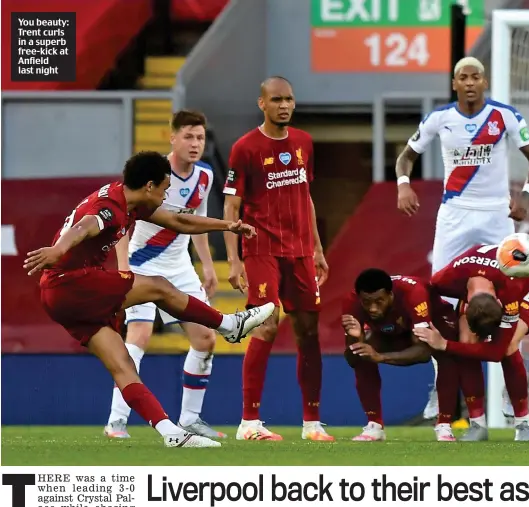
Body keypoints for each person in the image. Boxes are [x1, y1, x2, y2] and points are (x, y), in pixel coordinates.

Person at [24, 151, 275, 448]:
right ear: (149, 186)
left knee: (123, 366)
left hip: (58, 297)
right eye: (164, 188)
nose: (166, 194)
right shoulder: (113, 206)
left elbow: (177, 220)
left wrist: (227, 226)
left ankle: (171, 432)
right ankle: (229, 325)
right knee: (158, 286)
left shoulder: (131, 202)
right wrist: (58, 250)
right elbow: (85, 226)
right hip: (70, 284)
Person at [394, 56, 529, 421]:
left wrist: (524, 197)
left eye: (476, 76)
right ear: (454, 83)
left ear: (485, 81)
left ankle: (510, 391)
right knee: (439, 298)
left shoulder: (505, 115)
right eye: (463, 77)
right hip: (454, 215)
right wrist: (403, 186)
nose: (470, 82)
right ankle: (438, 386)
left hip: (496, 215)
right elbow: (405, 158)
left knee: (509, 295)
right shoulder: (439, 119)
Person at [104, 111, 226, 440]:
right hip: (141, 262)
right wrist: (123, 266)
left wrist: (207, 265)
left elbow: (195, 221)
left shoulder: (205, 175)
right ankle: (116, 421)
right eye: (188, 136)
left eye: (200, 138)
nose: (195, 144)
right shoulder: (152, 172)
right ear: (172, 138)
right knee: (139, 336)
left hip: (180, 266)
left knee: (205, 338)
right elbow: (122, 219)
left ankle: (190, 418)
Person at [223, 76, 332, 441]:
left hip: (300, 250)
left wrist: (317, 248)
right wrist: (234, 260)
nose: (284, 105)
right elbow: (232, 206)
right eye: (276, 99)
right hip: (261, 247)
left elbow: (307, 196)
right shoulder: (245, 148)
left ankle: (312, 424)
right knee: (266, 323)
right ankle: (249, 423)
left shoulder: (304, 142)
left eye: (289, 99)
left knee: (309, 333)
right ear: (262, 104)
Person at [419, 243, 529, 442]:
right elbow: (429, 291)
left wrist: (445, 345)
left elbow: (496, 353)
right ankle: (477, 424)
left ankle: (523, 424)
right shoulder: (447, 279)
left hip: (527, 285)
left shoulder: (511, 288)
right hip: (477, 287)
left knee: (510, 348)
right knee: (466, 343)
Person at [341, 269, 462, 442]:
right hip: (392, 329)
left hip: (434, 320)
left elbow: (424, 353)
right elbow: (352, 360)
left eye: (379, 301)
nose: (372, 308)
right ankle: (374, 425)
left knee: (445, 353)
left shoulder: (414, 294)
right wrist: (356, 338)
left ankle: (444, 425)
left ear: (391, 295)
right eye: (366, 302)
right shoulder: (351, 302)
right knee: (363, 353)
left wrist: (381, 357)